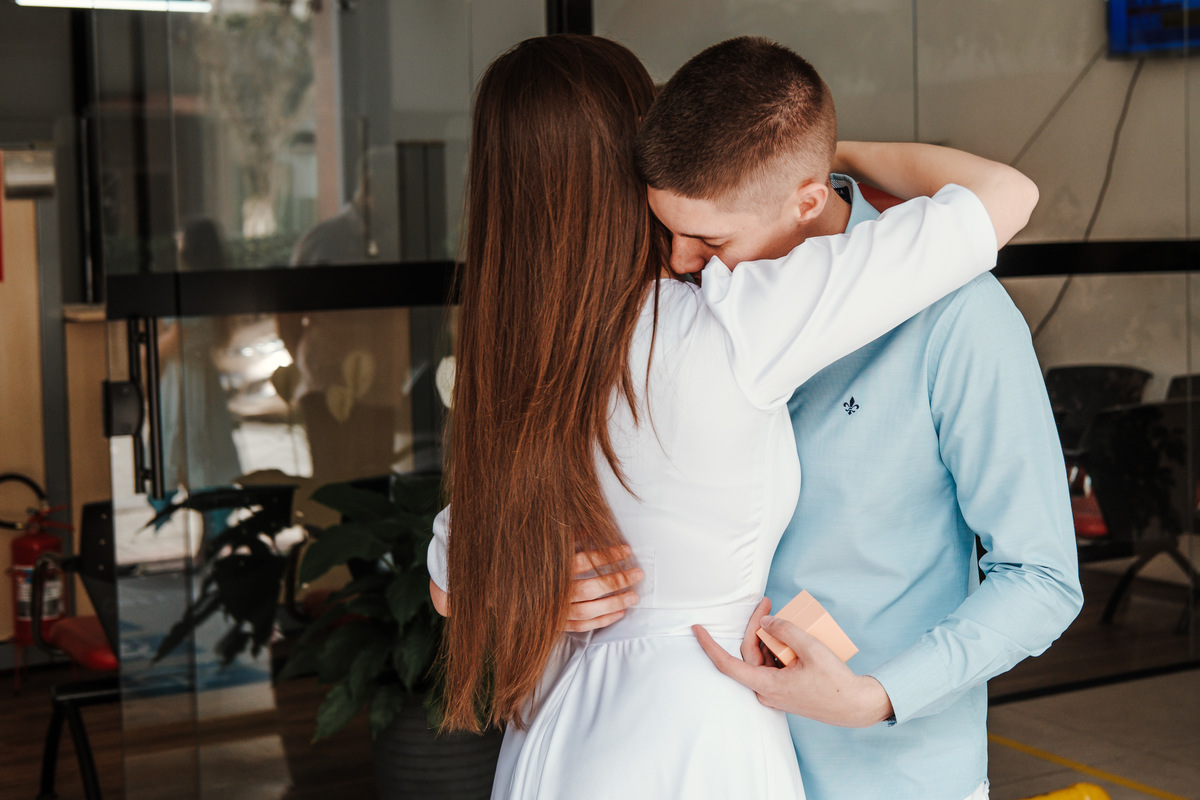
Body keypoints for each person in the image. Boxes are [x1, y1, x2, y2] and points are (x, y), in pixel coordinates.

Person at [427, 34, 1038, 799]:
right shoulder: (721, 321)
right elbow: (1005, 196)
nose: (689, 258)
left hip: (605, 746)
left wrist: (880, 696)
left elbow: (450, 574)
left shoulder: (536, 359)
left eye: (709, 232)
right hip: (701, 742)